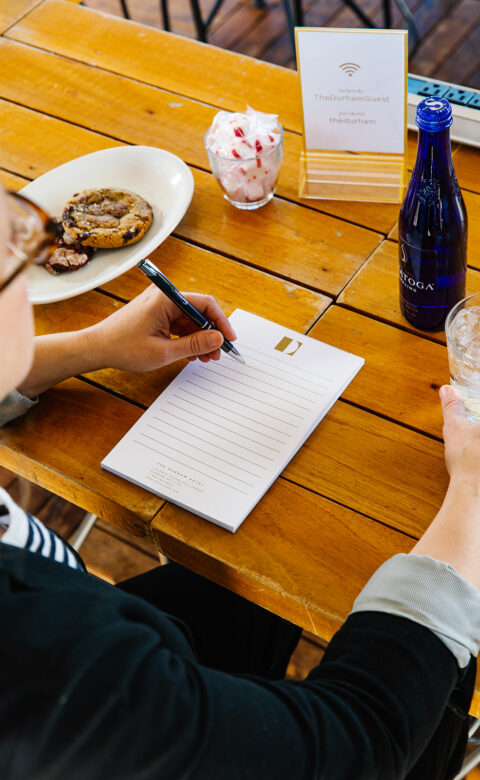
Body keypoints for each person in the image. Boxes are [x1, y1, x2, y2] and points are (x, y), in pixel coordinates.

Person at [0, 184, 479, 780]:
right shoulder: (50, 673)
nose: (21, 259)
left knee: (257, 580)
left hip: (114, 632)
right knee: (447, 658)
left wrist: (91, 345)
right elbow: (359, 744)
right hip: (119, 695)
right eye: (8, 259)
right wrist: (472, 494)